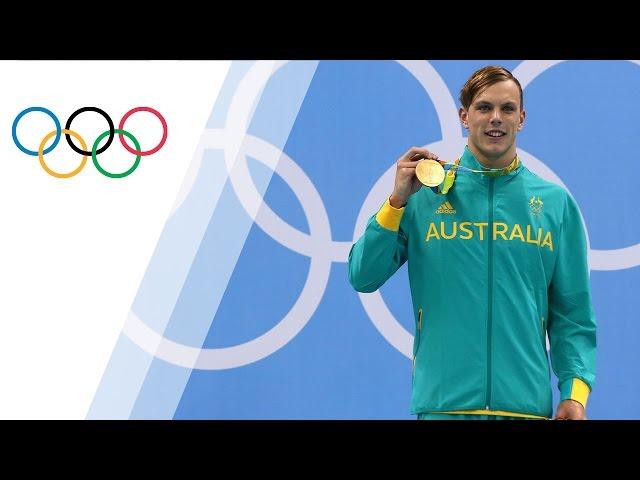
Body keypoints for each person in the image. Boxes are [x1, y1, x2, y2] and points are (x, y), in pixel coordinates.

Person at [348, 65, 596, 420]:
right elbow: (362, 276)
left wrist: (574, 393)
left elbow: (573, 314)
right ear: (465, 116)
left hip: (524, 407)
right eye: (484, 107)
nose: (496, 118)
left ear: (521, 118)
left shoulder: (555, 204)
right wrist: (396, 203)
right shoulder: (423, 196)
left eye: (507, 109)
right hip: (443, 406)